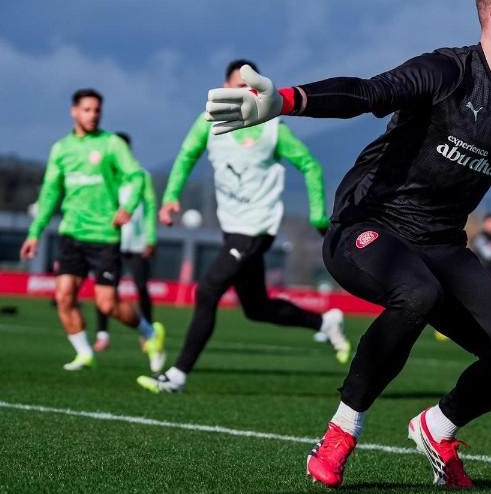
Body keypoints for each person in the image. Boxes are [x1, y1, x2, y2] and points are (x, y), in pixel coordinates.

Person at [204, 0, 491, 489]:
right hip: (365, 227)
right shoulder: (447, 71)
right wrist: (284, 101)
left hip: (442, 246)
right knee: (417, 292)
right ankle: (342, 429)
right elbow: (364, 93)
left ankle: (438, 427)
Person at [136, 60, 351, 395]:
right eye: (237, 86)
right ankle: (325, 321)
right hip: (231, 227)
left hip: (256, 229)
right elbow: (185, 156)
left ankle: (177, 375)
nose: (244, 93)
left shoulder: (272, 128)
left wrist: (318, 216)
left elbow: (310, 165)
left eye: (250, 87)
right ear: (224, 88)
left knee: (207, 290)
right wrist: (171, 198)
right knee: (256, 307)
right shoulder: (208, 121)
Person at [20, 88, 165, 372]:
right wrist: (34, 232)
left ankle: (149, 332)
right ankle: (84, 352)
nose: (92, 115)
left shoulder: (112, 144)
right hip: (72, 233)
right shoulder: (61, 149)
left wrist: (128, 206)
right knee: (63, 296)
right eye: (87, 110)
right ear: (74, 111)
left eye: (97, 110)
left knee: (108, 305)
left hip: (105, 236)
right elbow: (50, 193)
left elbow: (135, 176)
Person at [93, 132, 157, 352]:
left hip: (137, 242)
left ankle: (148, 333)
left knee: (141, 287)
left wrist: (150, 238)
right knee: (105, 289)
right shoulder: (108, 177)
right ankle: (102, 334)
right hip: (112, 241)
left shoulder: (141, 175)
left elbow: (149, 208)